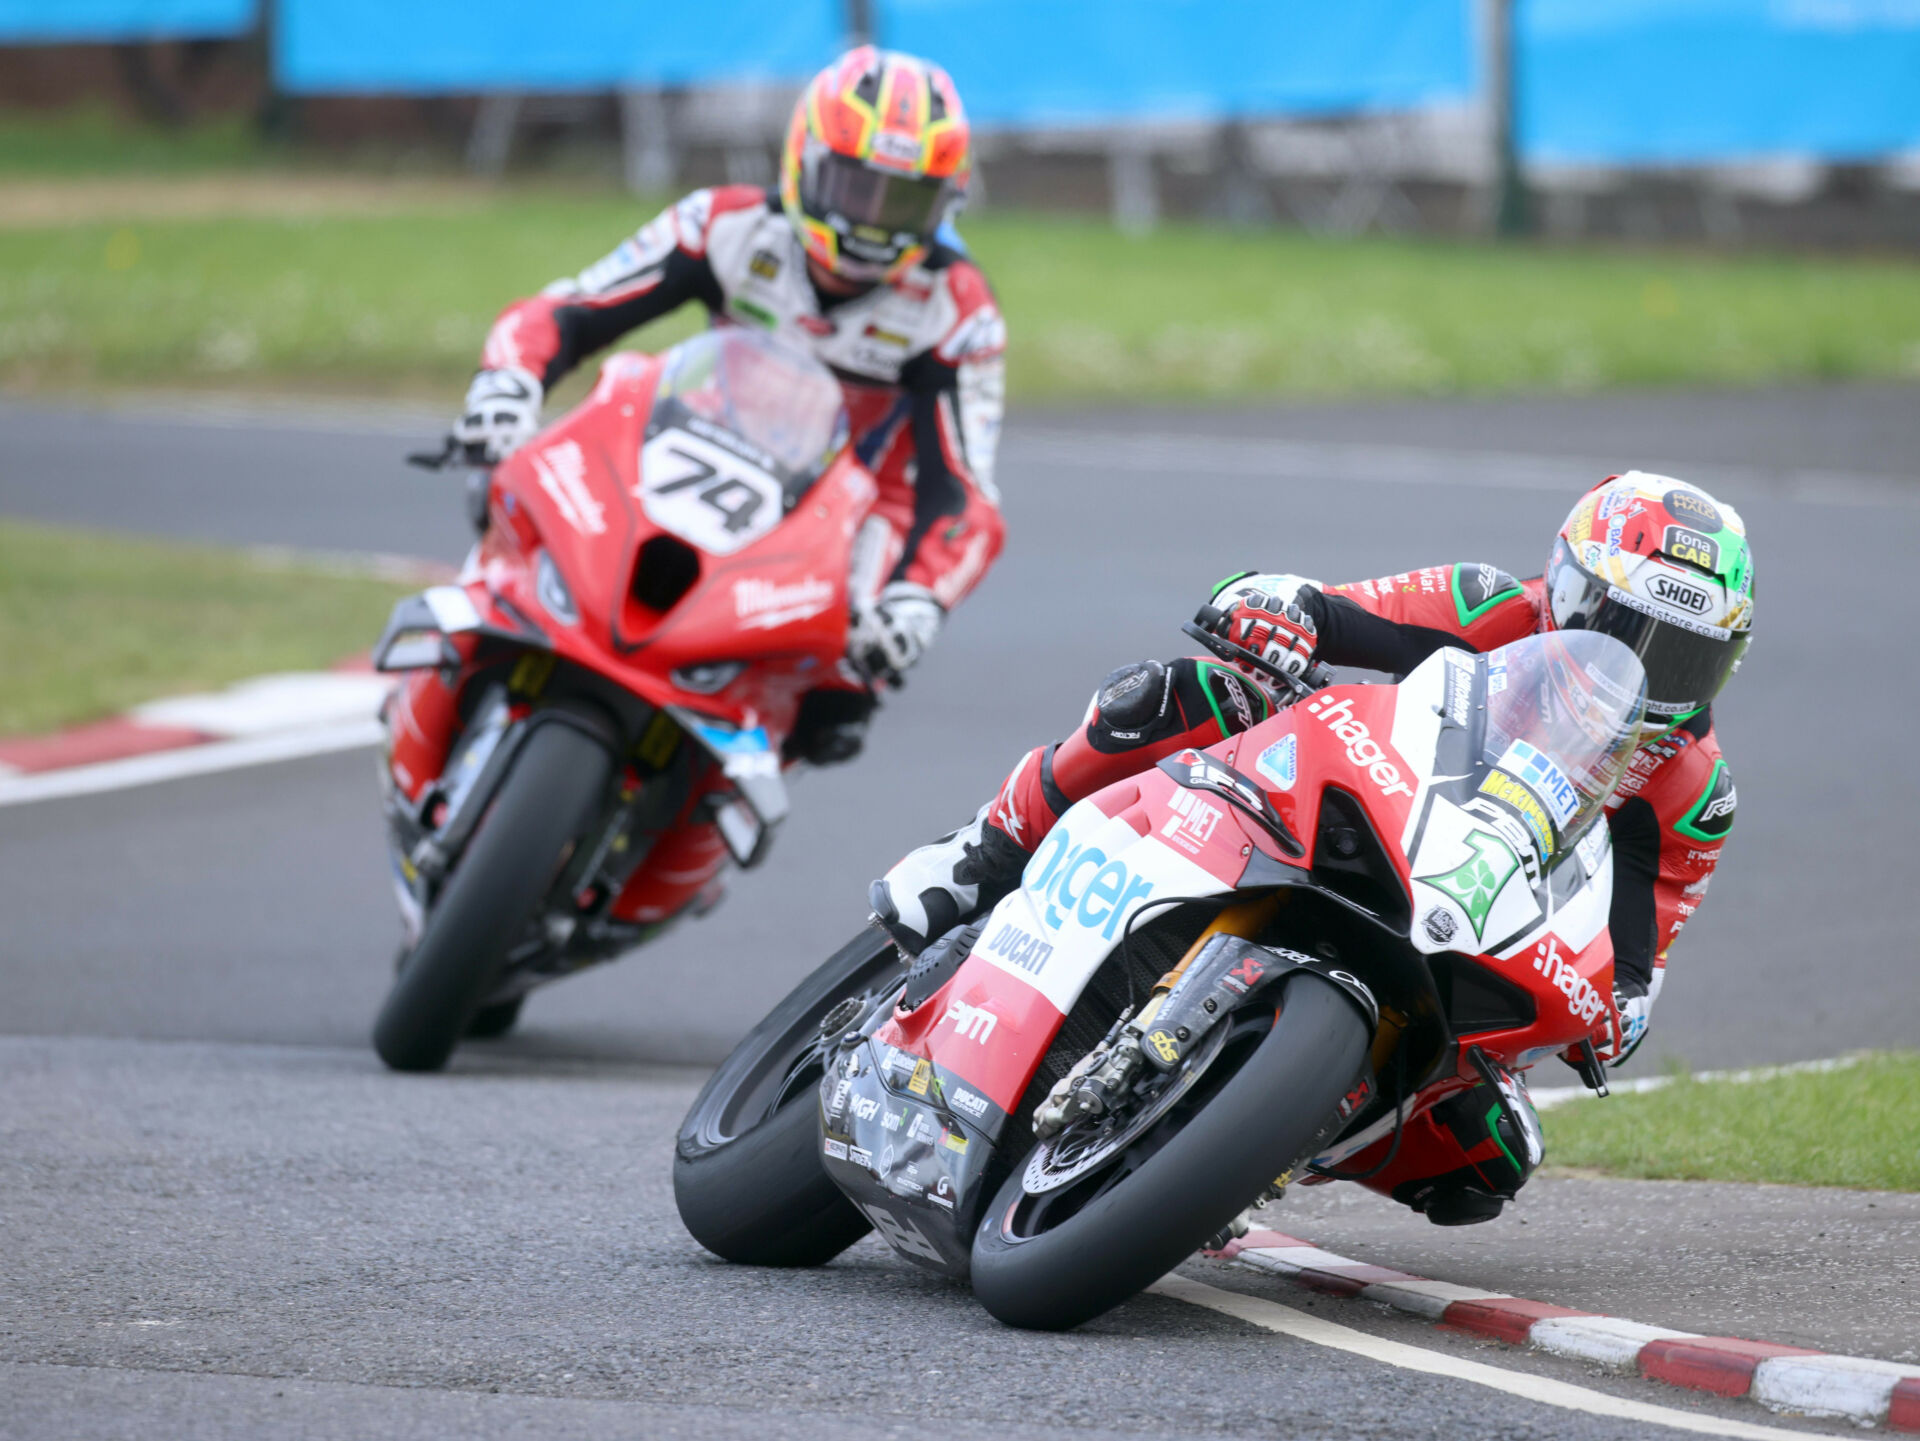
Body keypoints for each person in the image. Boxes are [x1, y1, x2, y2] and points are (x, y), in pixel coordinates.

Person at [871, 472, 1753, 1225]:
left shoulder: (1694, 788)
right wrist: (1279, 610)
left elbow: (1640, 951)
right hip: (1358, 811)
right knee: (1187, 695)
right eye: (1620, 628)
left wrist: (1617, 1007)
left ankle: (1250, 1144)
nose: (1639, 668)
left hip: (1476, 922)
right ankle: (985, 848)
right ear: (1567, 589)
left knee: (1488, 1161)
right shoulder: (1492, 604)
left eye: (1681, 658)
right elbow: (1333, 611)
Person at [445, 46, 1006, 760]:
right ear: (803, 161)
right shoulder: (721, 224)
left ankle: (714, 799)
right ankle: (468, 632)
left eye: (900, 201)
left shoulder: (958, 310)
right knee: (532, 481)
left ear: (944, 205)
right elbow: (570, 312)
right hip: (698, 444)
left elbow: (965, 494)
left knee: (839, 701)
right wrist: (508, 380)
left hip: (847, 516)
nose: (871, 224)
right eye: (854, 187)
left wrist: (918, 600)